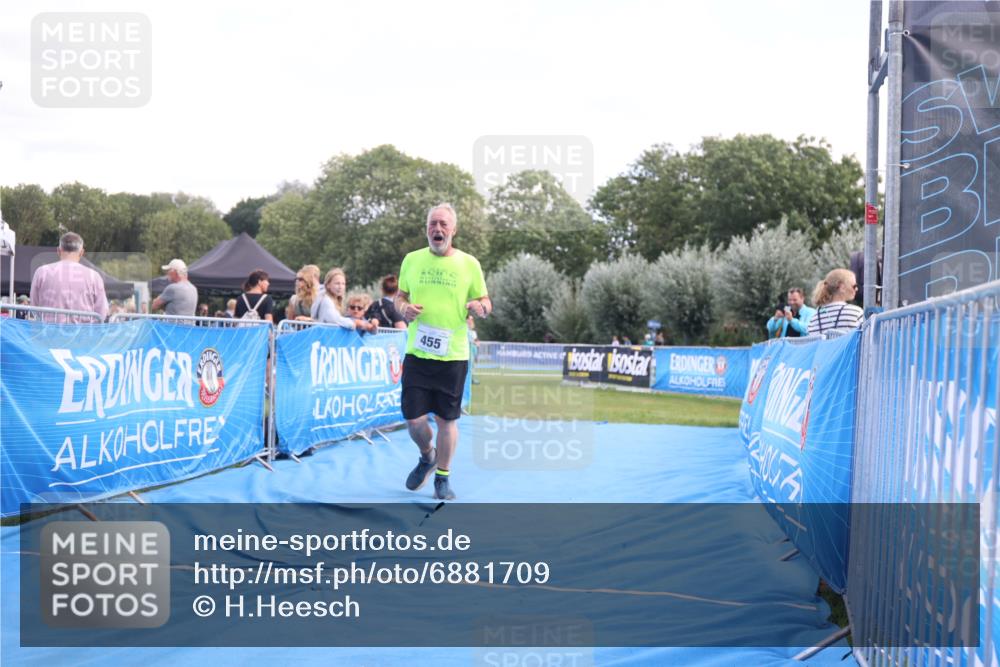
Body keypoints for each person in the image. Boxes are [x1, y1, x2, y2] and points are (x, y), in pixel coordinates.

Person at [395, 203, 490, 501]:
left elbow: (486, 301)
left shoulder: (469, 264)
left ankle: (443, 477)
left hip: (453, 355)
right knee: (414, 421)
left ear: (453, 230)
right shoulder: (411, 260)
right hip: (417, 353)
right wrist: (404, 309)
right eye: (433, 224)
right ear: (426, 229)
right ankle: (427, 455)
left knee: (447, 420)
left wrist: (480, 307)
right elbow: (400, 297)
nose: (438, 229)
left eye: (443, 224)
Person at [29, 232, 108, 323]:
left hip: (49, 332)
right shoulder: (94, 276)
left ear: (58, 251)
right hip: (83, 334)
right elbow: (102, 312)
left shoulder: (42, 272)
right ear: (81, 253)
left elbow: (34, 306)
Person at [312, 268, 375, 332]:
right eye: (337, 283)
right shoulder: (326, 301)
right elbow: (334, 319)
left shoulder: (329, 299)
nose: (340, 287)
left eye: (343, 284)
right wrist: (354, 322)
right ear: (328, 285)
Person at [808, 269, 865, 335]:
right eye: (854, 286)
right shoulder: (856, 313)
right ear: (841, 287)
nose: (857, 289)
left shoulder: (814, 318)